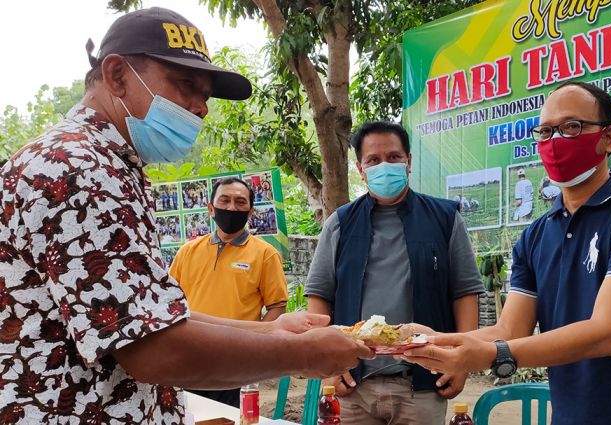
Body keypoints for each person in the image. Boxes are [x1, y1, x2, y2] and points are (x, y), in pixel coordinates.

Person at [0, 7, 372, 424]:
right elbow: (153, 347)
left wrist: (272, 330)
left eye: (206, 95)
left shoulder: (106, 165)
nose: (201, 108)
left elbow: (143, 313)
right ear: (118, 75)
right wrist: (303, 355)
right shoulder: (79, 168)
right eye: (185, 85)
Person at [402, 81, 611, 424]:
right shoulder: (535, 236)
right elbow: (509, 329)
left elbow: (607, 332)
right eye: (545, 131)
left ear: (608, 138)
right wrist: (439, 340)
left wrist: (494, 355)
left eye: (571, 127)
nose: (555, 142)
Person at [305, 121, 484, 424]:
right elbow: (319, 295)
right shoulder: (340, 223)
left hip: (423, 385)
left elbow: (464, 293)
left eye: (393, 157)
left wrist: (459, 362)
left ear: (409, 162)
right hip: (354, 386)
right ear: (361, 169)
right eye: (373, 160)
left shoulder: (445, 219)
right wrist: (331, 363)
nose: (384, 166)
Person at [170, 177, 288, 407]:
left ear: (250, 211)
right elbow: (170, 301)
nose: (232, 207)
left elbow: (277, 306)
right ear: (211, 208)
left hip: (235, 363)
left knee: (230, 418)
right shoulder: (187, 252)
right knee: (187, 415)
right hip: (187, 358)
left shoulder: (265, 254)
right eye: (224, 200)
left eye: (240, 202)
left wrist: (254, 343)